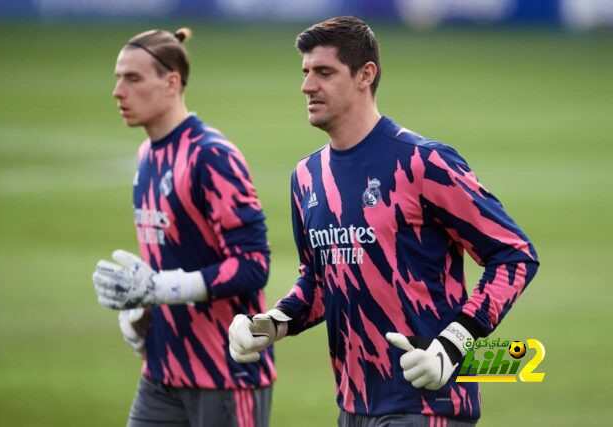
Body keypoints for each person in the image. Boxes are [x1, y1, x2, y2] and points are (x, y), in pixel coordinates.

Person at [228, 16, 539, 426]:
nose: (306, 86)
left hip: (428, 407)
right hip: (353, 406)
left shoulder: (424, 163)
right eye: (304, 72)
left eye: (324, 72)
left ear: (365, 75)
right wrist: (271, 323)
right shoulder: (306, 176)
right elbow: (319, 281)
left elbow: (515, 255)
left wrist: (453, 344)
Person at [91, 27, 274, 427]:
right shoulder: (147, 154)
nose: (118, 92)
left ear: (171, 82)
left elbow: (253, 264)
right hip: (161, 373)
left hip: (226, 376)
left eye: (133, 79)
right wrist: (141, 312)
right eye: (118, 78)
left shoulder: (212, 157)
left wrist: (163, 288)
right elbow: (171, 257)